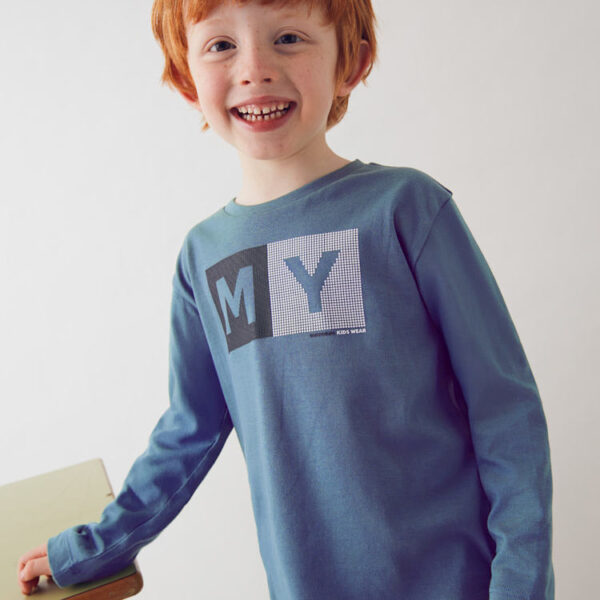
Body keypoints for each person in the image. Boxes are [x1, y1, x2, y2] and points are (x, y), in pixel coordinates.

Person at [17, 0, 554, 598]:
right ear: (186, 79)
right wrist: (93, 547)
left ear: (351, 63)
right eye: (222, 45)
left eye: (289, 38)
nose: (255, 69)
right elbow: (189, 430)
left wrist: (521, 586)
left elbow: (506, 411)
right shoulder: (204, 257)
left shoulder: (405, 209)